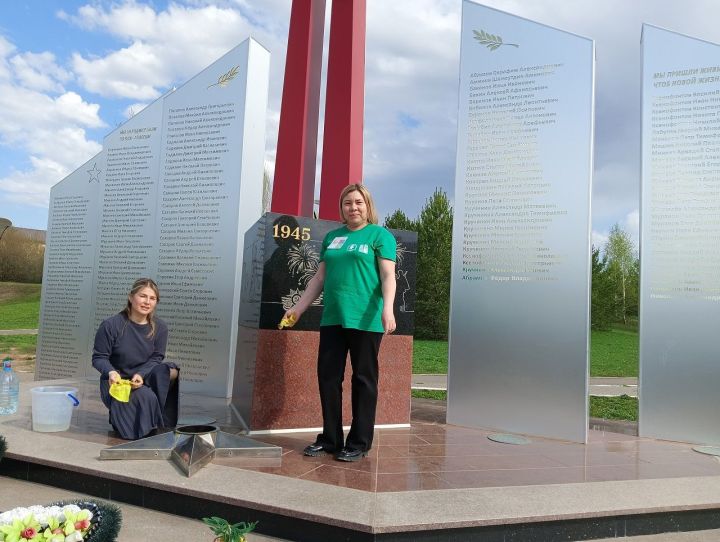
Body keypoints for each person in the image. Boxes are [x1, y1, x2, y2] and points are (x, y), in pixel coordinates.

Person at [283, 183, 396, 462]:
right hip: (333, 318)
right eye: (348, 203)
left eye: (358, 202)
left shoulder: (379, 236)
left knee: (363, 380)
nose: (353, 207)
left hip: (365, 319)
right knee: (329, 378)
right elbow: (319, 279)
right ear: (341, 208)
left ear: (367, 206)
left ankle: (359, 442)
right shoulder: (332, 237)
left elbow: (387, 276)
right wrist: (296, 309)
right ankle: (331, 439)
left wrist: (388, 309)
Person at [92, 278, 179, 440]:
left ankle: (158, 424)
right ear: (131, 298)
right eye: (143, 296)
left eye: (152, 298)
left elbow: (157, 357)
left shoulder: (160, 327)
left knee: (168, 371)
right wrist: (111, 372)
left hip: (142, 378)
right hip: (116, 381)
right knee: (143, 400)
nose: (147, 302)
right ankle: (124, 420)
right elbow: (99, 358)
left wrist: (141, 374)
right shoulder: (111, 325)